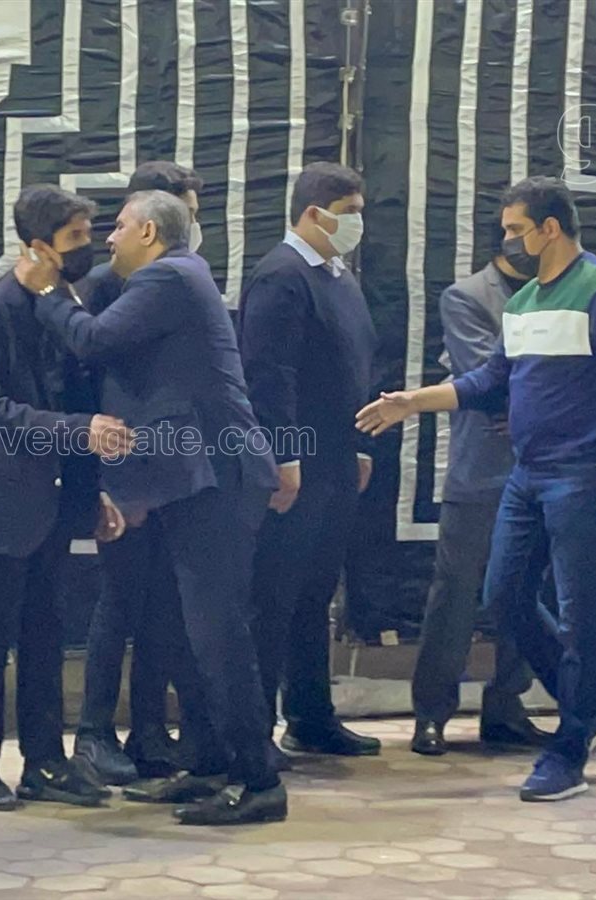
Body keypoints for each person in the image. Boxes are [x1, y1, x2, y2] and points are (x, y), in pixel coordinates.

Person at [357, 176, 596, 802]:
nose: (508, 241)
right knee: (503, 595)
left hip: (583, 475)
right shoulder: (524, 301)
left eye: (516, 230)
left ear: (550, 229)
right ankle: (590, 703)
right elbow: (490, 380)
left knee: (581, 614)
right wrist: (413, 401)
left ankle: (569, 750)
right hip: (527, 476)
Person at [15, 190, 285, 826]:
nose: (107, 240)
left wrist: (45, 291)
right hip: (191, 479)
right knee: (189, 631)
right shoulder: (176, 277)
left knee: (218, 633)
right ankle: (212, 763)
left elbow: (93, 339)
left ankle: (258, 781)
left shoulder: (169, 276)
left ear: (149, 233)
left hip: (216, 478)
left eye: (118, 226)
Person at [0, 184, 121, 812]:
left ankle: (45, 762)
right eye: (75, 239)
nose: (87, 249)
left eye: (89, 236)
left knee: (46, 634)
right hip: (4, 500)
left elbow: (81, 398)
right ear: (37, 246)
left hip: (59, 498)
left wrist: (95, 492)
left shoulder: (70, 304)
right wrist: (78, 432)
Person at [238, 161, 382, 760]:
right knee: (275, 596)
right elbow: (268, 375)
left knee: (315, 592)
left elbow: (354, 365)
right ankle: (255, 729)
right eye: (349, 213)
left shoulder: (338, 275)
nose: (357, 224)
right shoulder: (281, 276)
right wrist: (285, 454)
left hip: (337, 457)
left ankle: (310, 714)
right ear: (313, 214)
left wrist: (358, 445)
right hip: (296, 462)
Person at [73, 160, 205, 786]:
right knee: (120, 600)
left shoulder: (175, 278)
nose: (192, 227)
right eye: (184, 213)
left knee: (163, 605)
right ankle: (93, 732)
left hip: (168, 465)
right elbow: (86, 375)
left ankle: (149, 728)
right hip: (122, 465)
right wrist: (103, 477)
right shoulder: (106, 286)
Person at [408, 243, 548, 756]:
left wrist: (538, 410)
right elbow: (484, 377)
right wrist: (548, 401)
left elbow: (584, 371)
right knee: (456, 594)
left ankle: (507, 707)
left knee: (528, 591)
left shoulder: (562, 293)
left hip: (543, 468)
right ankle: (431, 713)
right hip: (481, 474)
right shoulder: (466, 296)